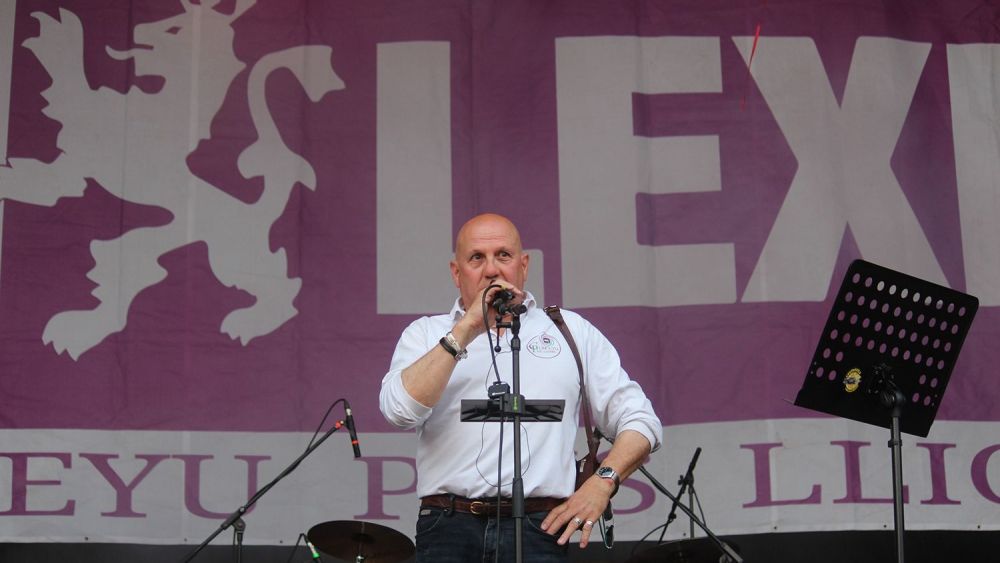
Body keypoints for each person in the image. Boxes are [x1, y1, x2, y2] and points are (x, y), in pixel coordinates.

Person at [380, 213, 662, 562]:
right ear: (456, 272)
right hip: (449, 525)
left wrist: (602, 482)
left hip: (540, 525)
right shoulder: (426, 334)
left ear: (523, 265)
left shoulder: (569, 330)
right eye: (476, 258)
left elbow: (641, 420)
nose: (491, 269)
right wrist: (466, 329)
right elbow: (398, 411)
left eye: (503, 255)